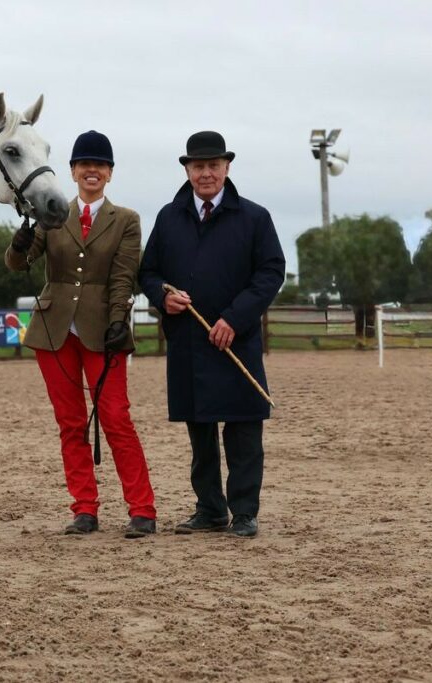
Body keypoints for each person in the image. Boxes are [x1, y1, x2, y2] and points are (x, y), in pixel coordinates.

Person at [5, 130, 156, 539]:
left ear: (109, 173)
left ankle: (142, 508)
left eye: (100, 165)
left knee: (115, 418)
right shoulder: (53, 213)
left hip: (102, 329)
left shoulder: (126, 220)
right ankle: (84, 509)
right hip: (54, 331)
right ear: (72, 172)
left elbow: (124, 275)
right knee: (70, 422)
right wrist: (18, 245)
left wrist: (118, 318)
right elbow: (19, 263)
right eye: (84, 164)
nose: (92, 170)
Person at [138, 131, 285, 538]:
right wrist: (161, 296)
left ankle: (244, 512)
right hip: (189, 342)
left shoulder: (255, 217)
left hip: (236, 342)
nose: (206, 173)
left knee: (242, 432)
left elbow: (271, 272)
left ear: (227, 168)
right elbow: (148, 272)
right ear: (187, 169)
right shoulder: (169, 217)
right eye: (198, 166)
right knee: (199, 432)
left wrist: (234, 319)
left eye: (213, 166)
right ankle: (209, 508)